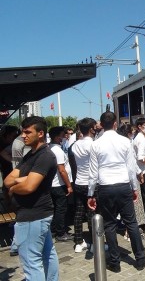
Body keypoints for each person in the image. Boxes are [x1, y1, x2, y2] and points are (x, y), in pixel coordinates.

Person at [87, 111, 145, 273]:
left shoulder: (96, 144)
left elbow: (93, 172)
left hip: (105, 187)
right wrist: (134, 188)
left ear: (101, 124)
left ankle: (115, 262)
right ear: (115, 124)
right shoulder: (125, 141)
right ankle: (140, 258)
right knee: (131, 222)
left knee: (110, 224)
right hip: (123, 185)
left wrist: (91, 193)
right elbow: (130, 167)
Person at [4, 116, 59, 280]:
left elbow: (29, 187)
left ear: (40, 133)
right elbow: (7, 180)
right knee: (47, 254)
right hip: (35, 215)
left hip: (32, 215)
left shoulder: (45, 156)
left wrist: (16, 186)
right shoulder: (30, 156)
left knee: (31, 262)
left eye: (28, 132)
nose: (23, 135)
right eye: (22, 131)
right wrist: (22, 180)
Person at [70, 118, 97, 252]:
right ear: (91, 128)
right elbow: (96, 166)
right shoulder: (93, 144)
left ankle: (79, 243)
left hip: (79, 181)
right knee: (92, 213)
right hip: (90, 182)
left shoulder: (75, 145)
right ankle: (94, 244)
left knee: (79, 212)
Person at [48, 126, 74, 242]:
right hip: (59, 184)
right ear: (58, 137)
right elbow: (61, 170)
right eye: (64, 135)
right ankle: (60, 232)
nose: (66, 137)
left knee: (56, 209)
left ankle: (54, 229)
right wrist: (68, 185)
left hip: (54, 184)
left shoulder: (51, 148)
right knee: (61, 209)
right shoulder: (57, 150)